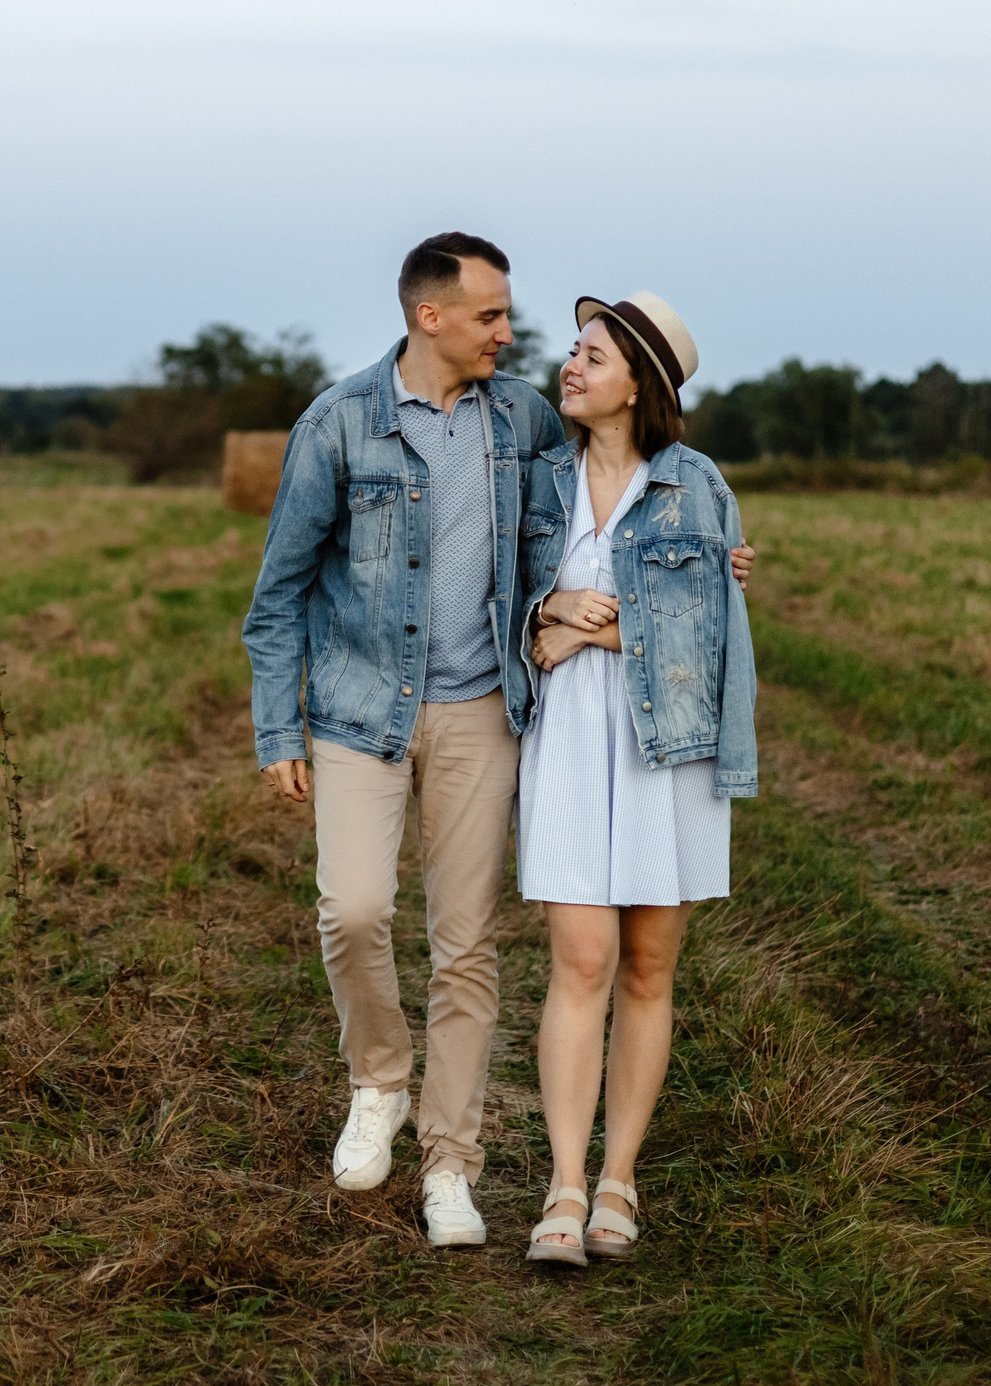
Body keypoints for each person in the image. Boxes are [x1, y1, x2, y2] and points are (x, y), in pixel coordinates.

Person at [243, 238, 751, 1249]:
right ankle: (379, 1082)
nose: (516, 340)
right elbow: (278, 593)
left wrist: (692, 574)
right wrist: (275, 725)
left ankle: (454, 1167)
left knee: (467, 948)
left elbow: (673, 568)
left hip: (487, 711)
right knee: (353, 912)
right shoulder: (341, 423)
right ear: (431, 317)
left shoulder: (523, 421)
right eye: (494, 317)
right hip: (361, 710)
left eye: (536, 329)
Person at [513, 291, 757, 1268]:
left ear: (638, 386)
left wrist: (586, 625)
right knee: (579, 963)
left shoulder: (696, 485)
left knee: (649, 969)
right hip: (568, 744)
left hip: (671, 751)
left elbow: (715, 625)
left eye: (593, 356)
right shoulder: (536, 486)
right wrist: (551, 614)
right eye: (573, 352)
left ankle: (622, 1178)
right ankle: (564, 1187)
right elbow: (509, 624)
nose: (571, 367)